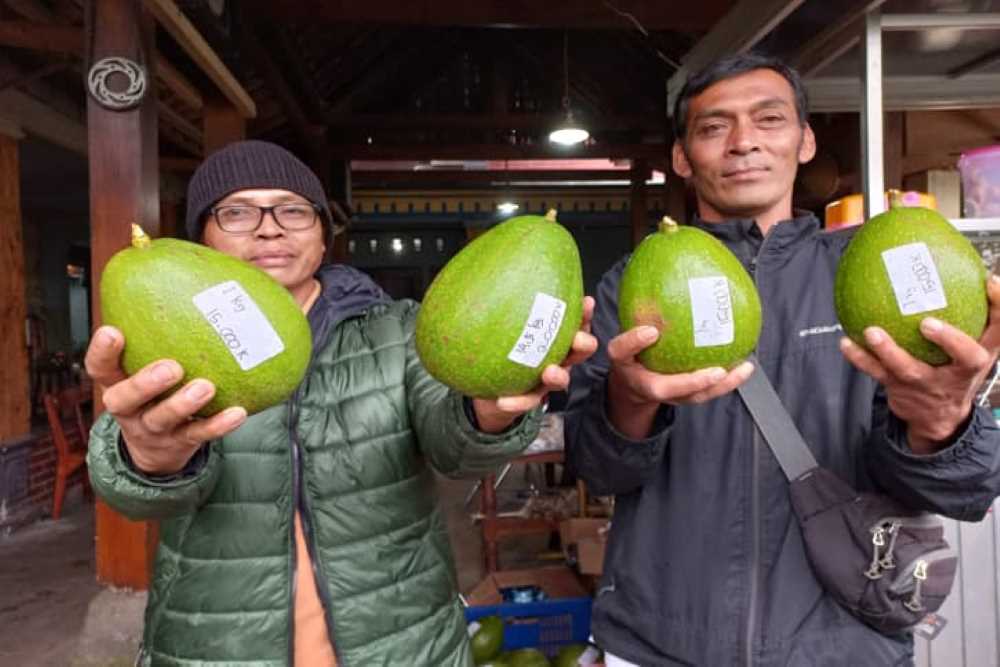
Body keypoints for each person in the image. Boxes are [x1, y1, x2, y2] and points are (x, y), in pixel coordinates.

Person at [85, 140, 597, 667]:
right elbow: (128, 489)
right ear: (201, 240)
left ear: (324, 235)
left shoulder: (398, 329)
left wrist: (490, 413)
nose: (269, 227)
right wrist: (149, 459)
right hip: (213, 649)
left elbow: (456, 450)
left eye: (293, 210)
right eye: (237, 212)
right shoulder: (164, 340)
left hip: (404, 644)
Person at [565, 53, 1000, 666]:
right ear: (683, 158)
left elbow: (969, 492)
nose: (744, 142)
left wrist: (942, 418)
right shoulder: (631, 288)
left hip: (843, 650)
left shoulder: (866, 278)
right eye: (714, 127)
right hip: (659, 644)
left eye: (769, 120)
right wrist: (630, 399)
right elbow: (598, 471)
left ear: (805, 141)